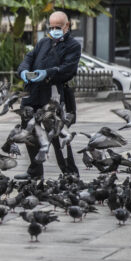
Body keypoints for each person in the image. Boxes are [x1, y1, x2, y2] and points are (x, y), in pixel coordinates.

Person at [15, 11, 81, 180]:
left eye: (57, 27)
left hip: (52, 95)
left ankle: (70, 173)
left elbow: (68, 69)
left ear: (67, 26)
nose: (53, 30)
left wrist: (47, 73)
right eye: (51, 27)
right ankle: (35, 171)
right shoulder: (43, 42)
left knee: (57, 134)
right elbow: (28, 59)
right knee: (29, 132)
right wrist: (23, 72)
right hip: (33, 93)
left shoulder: (73, 45)